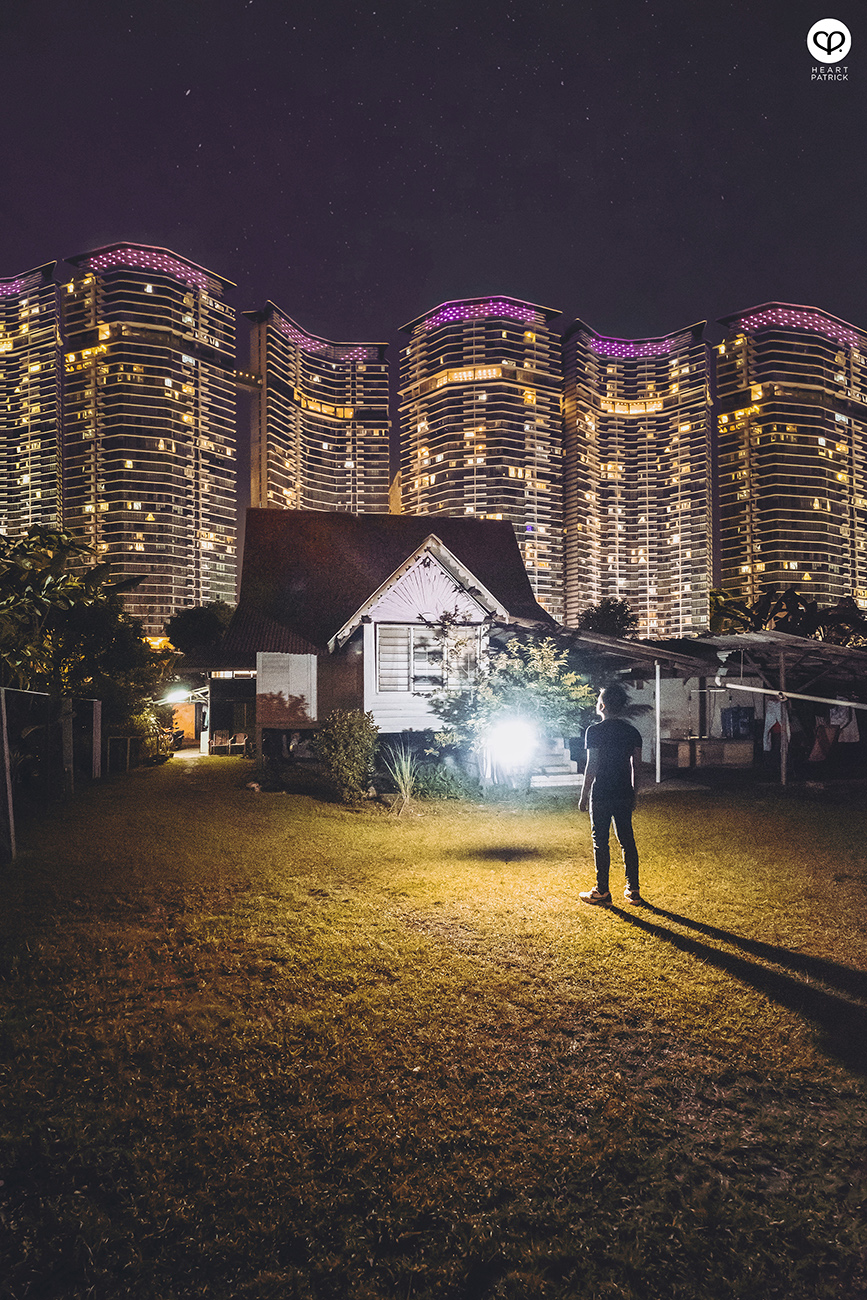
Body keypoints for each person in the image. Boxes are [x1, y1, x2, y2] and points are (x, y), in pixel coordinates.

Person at [578, 683, 643, 905]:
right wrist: (635, 793)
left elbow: (592, 765)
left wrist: (584, 795)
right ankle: (633, 890)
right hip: (624, 791)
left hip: (602, 793)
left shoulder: (594, 732)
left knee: (601, 842)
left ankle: (602, 891)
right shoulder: (631, 732)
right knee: (627, 840)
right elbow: (637, 766)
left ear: (602, 706)